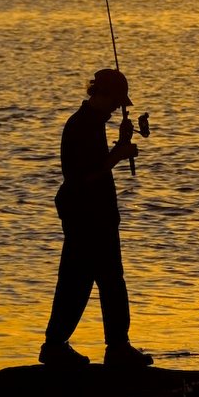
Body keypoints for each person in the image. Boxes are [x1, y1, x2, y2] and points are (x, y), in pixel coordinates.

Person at [39, 68, 153, 369]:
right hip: (86, 215)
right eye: (116, 100)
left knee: (99, 281)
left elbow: (96, 167)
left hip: (96, 214)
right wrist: (118, 154)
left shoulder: (94, 123)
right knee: (87, 282)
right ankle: (81, 347)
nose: (119, 107)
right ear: (100, 94)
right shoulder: (80, 126)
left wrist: (119, 144)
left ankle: (98, 346)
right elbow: (82, 176)